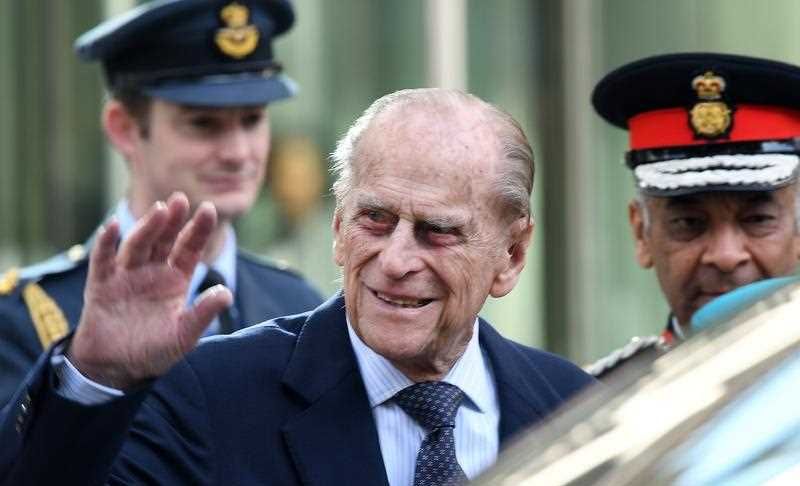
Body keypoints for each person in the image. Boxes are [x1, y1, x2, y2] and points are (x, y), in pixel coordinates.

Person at [0, 88, 595, 486]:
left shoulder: (575, 406)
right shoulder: (207, 396)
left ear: (512, 255)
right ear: (338, 228)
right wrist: (95, 380)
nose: (394, 260)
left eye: (437, 231)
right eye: (375, 220)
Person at [0, 0, 323, 406]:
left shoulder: (301, 308)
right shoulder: (25, 318)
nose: (239, 152)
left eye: (252, 119)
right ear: (125, 129)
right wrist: (90, 377)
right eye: (203, 123)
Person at [587, 53, 800, 379]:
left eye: (758, 220)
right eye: (689, 223)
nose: (726, 256)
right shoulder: (591, 407)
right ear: (641, 233)